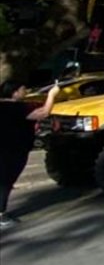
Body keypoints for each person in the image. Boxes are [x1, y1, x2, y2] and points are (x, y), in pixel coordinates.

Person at [0, 79, 60, 229]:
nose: (25, 91)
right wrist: (52, 95)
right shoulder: (18, 108)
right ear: (14, 93)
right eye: (22, 89)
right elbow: (44, 113)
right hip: (13, 149)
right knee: (5, 181)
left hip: (6, 147)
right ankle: (1, 214)